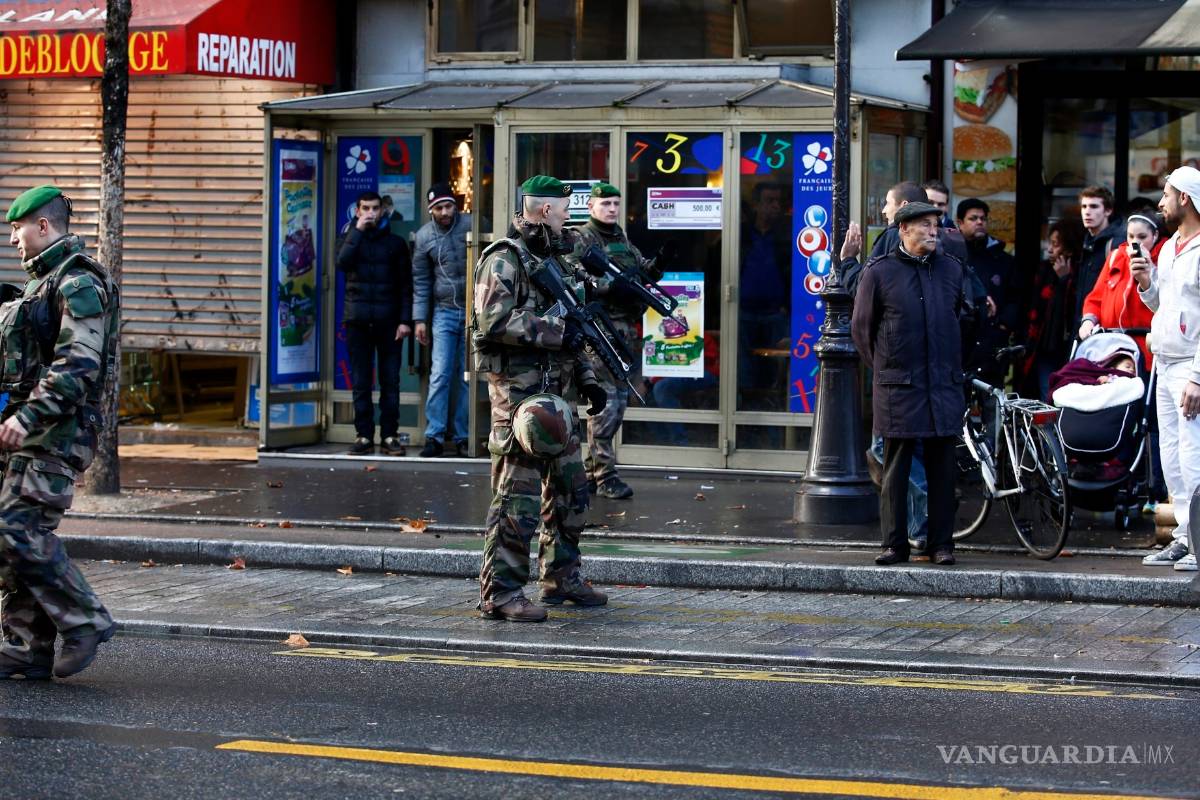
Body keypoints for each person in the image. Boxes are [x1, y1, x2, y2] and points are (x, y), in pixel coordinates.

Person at [472, 175, 609, 622]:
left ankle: (561, 578)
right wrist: (554, 330)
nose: (568, 214)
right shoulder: (505, 259)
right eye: (563, 208)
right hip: (518, 402)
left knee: (573, 492)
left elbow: (575, 335)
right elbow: (493, 321)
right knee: (518, 500)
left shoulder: (557, 260)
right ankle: (502, 594)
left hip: (558, 399)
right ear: (544, 210)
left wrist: (588, 378)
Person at [0, 185, 119, 680]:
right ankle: (28, 645)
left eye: (17, 228)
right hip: (32, 432)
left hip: (55, 432)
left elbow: (78, 365)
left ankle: (85, 620)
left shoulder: (77, 282)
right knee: (11, 536)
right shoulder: (41, 283)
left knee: (16, 527)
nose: (12, 240)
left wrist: (26, 418)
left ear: (43, 226)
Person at [851, 202, 967, 567]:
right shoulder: (879, 272)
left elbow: (962, 316)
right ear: (903, 229)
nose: (933, 231)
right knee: (896, 469)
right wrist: (885, 366)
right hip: (899, 384)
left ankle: (942, 544)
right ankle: (894, 544)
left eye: (936, 225)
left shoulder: (951, 269)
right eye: (924, 225)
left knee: (942, 467)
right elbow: (862, 329)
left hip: (942, 382)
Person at [570, 182, 662, 498]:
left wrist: (657, 267)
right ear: (592, 206)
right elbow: (577, 278)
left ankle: (591, 472)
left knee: (619, 403)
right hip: (600, 330)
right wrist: (607, 288)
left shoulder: (620, 238)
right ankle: (605, 476)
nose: (612, 209)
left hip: (625, 330)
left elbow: (639, 271)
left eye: (616, 204)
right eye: (606, 203)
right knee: (606, 404)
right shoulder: (582, 239)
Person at [1134, 167, 1200, 570]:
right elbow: (1166, 308)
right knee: (1171, 457)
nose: (1161, 202)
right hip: (1165, 362)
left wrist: (1197, 376)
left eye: (1166, 194)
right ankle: (1182, 536)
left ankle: (1197, 542)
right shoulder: (1171, 244)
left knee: (1193, 458)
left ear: (1186, 199)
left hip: (1189, 367)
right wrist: (1147, 285)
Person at [336, 190, 414, 456]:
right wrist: (357, 232)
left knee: (390, 382)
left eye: (375, 208)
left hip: (389, 322)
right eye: (365, 208)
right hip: (357, 321)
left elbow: (406, 286)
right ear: (358, 211)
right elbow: (341, 263)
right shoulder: (349, 238)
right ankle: (364, 435)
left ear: (383, 211)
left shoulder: (395, 243)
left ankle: (390, 435)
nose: (370, 213)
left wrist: (405, 321)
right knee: (361, 382)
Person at [413, 182, 472, 458]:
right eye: (439, 208)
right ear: (431, 210)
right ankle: (434, 436)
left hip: (473, 311)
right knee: (440, 374)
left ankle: (464, 436)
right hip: (444, 311)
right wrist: (419, 320)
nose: (445, 212)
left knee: (466, 376)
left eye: (448, 206)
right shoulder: (425, 237)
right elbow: (421, 282)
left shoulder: (471, 224)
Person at [1078, 214, 1163, 368]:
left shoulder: (1165, 257)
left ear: (1155, 235)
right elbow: (1096, 298)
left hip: (1146, 346)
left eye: (1142, 236)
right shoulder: (1115, 256)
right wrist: (1088, 321)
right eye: (1130, 236)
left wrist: (1150, 270)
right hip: (1111, 347)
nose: (1135, 242)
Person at [737, 182, 792, 412]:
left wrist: (786, 308)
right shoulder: (741, 235)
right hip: (743, 312)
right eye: (769, 201)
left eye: (778, 201)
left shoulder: (786, 234)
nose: (775, 206)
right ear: (757, 205)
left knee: (774, 371)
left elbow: (791, 273)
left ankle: (772, 422)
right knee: (744, 370)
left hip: (774, 313)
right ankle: (745, 420)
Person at [957, 198, 1018, 385]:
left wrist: (1003, 326)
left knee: (993, 403)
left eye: (983, 219)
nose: (979, 223)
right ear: (960, 223)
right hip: (961, 341)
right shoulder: (952, 257)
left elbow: (1015, 297)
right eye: (973, 218)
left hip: (992, 340)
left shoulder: (1002, 259)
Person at [1022, 218, 1084, 399]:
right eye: (1050, 243)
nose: (1050, 249)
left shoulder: (1080, 272)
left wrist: (1064, 280)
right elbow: (1035, 309)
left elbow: (1072, 308)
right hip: (1043, 344)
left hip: (1067, 346)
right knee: (1046, 394)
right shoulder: (1044, 271)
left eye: (1056, 245)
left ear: (1070, 248)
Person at [1075, 185, 1125, 334]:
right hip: (1085, 320)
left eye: (1094, 206)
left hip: (1102, 325)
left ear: (1108, 211)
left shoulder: (1116, 243)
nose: (1087, 212)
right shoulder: (1086, 242)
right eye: (1084, 206)